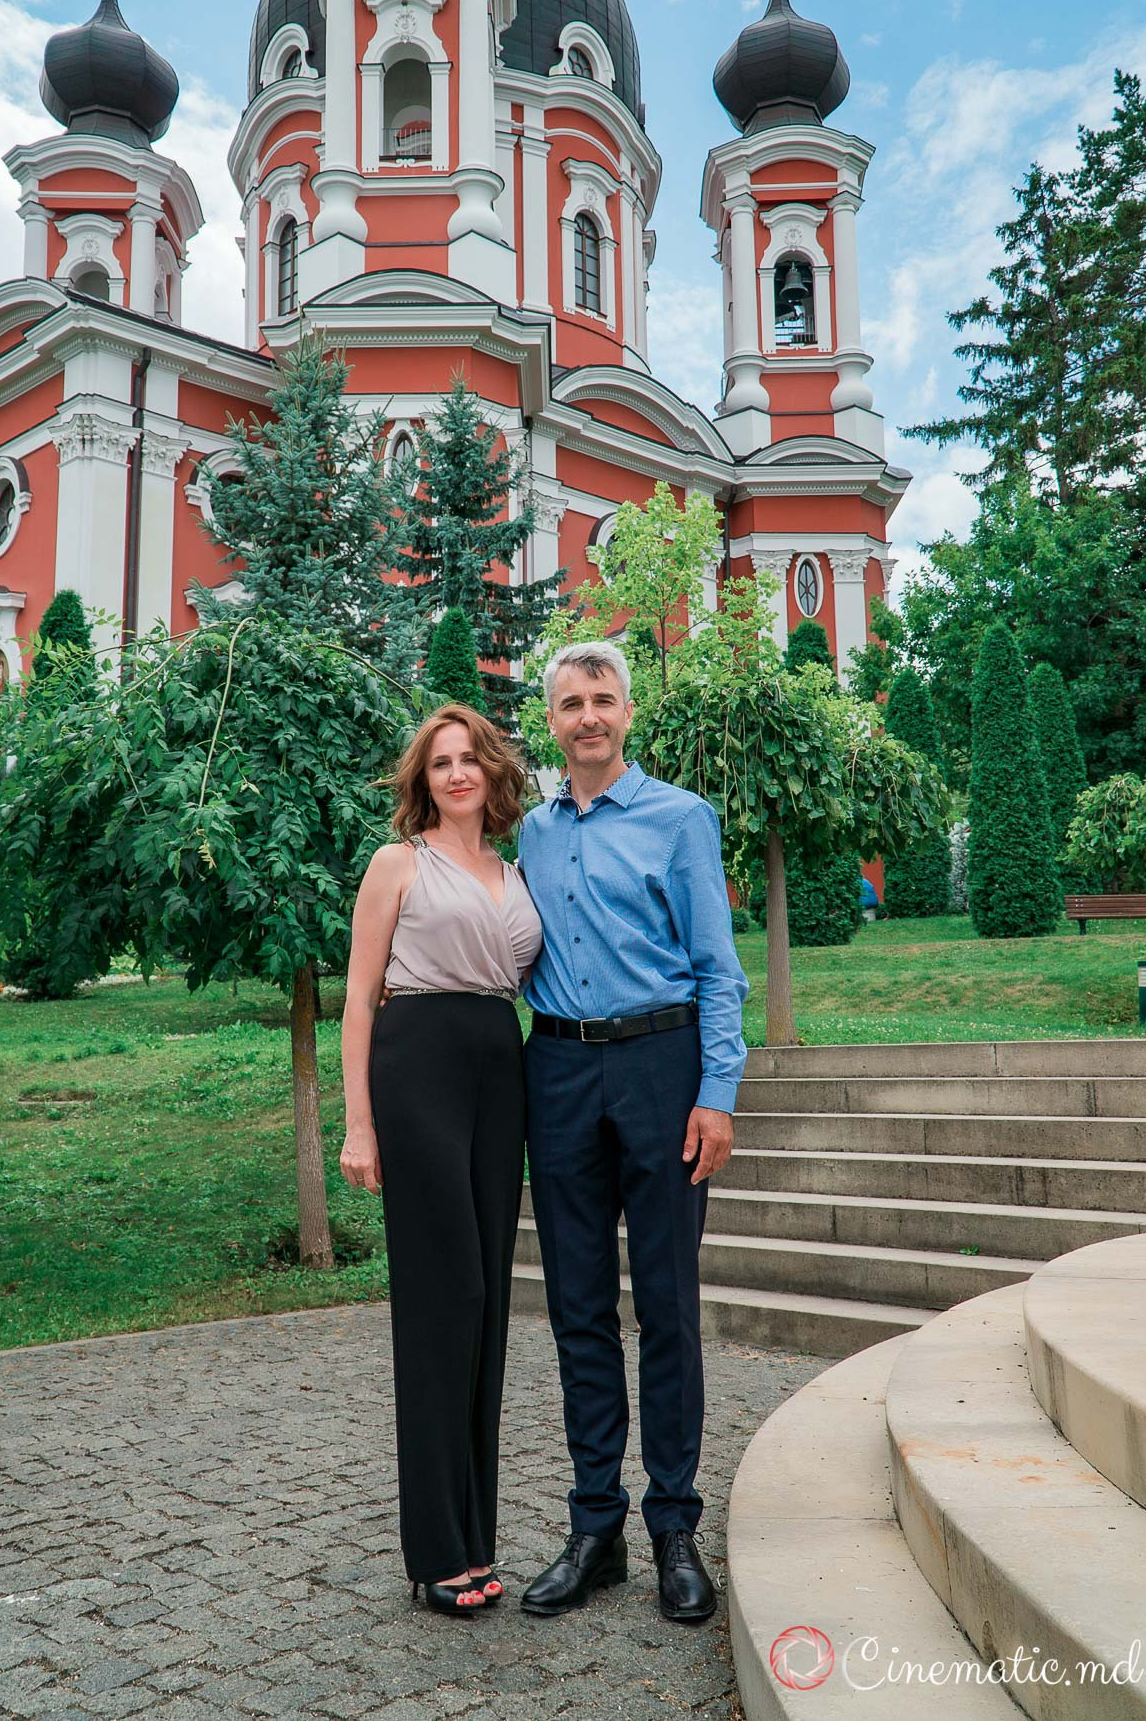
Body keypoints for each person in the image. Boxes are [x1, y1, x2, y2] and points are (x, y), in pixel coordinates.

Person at [517, 641, 748, 1624]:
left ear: (626, 711)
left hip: (662, 1068)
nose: (587, 717)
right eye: (570, 703)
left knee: (666, 1306)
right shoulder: (528, 831)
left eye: (602, 699)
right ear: (552, 721)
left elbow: (717, 966)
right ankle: (594, 1530)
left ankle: (674, 1529)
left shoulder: (679, 818)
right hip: (558, 1070)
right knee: (576, 1308)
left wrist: (716, 1091)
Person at [340, 703, 542, 1618]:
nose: (456, 773)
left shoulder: (515, 870)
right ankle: (434, 1550)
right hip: (416, 1063)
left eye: (469, 759)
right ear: (422, 780)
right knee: (444, 1295)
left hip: (500, 1067)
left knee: (489, 1299)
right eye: (439, 762)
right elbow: (358, 999)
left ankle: (474, 1538)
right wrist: (359, 1124)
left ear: (491, 771)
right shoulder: (398, 863)